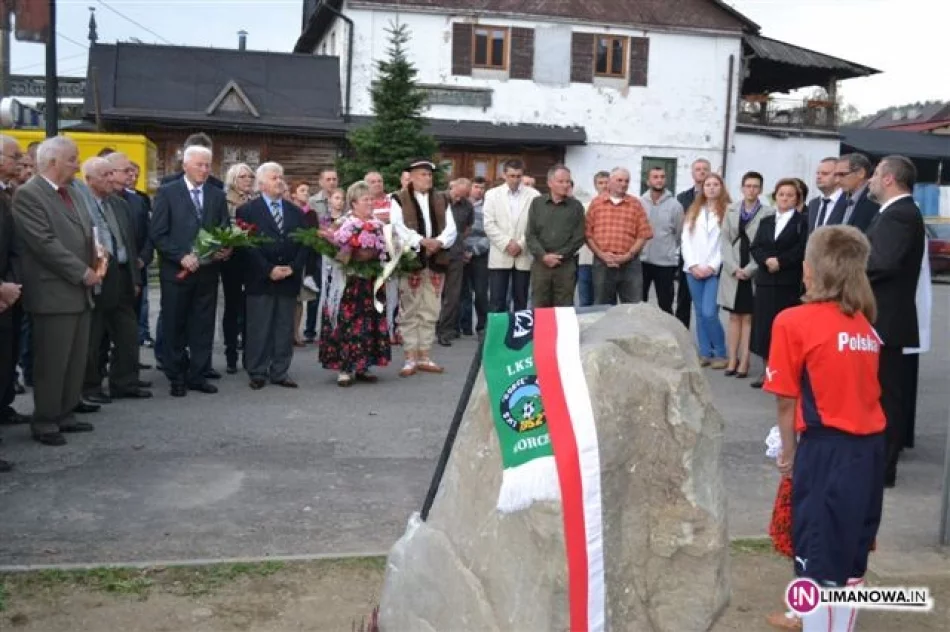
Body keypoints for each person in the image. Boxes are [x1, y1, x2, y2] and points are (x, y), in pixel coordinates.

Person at [765, 225, 885, 632]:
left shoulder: (793, 321)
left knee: (816, 554)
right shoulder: (866, 325)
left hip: (826, 450)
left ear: (809, 269)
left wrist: (789, 451)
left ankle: (814, 621)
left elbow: (785, 399)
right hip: (869, 451)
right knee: (850, 553)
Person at [13, 136, 99, 446]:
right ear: (52, 162)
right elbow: (44, 244)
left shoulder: (72, 193)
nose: (78, 164)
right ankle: (46, 420)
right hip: (53, 292)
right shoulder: (29, 195)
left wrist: (97, 255)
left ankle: (65, 412)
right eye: (73, 159)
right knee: (52, 361)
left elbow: (86, 231)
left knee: (75, 359)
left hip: (79, 291)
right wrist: (82, 271)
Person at [150, 145, 231, 397]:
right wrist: (181, 256)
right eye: (200, 165)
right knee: (175, 323)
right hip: (177, 273)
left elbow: (223, 229)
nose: (205, 170)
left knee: (202, 325)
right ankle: (176, 376)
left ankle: (198, 374)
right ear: (185, 165)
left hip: (207, 273)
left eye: (208, 165)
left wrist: (224, 249)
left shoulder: (216, 195)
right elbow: (158, 233)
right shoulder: (167, 192)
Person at [865, 155, 925, 488]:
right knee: (881, 392)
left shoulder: (900, 214)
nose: (871, 180)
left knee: (887, 395)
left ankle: (884, 467)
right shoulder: (895, 213)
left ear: (889, 179)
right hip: (883, 318)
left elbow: (882, 263)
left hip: (886, 319)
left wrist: (848, 273)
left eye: (875, 174)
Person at [81, 157, 151, 403]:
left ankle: (125, 382)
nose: (112, 179)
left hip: (121, 274)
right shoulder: (81, 203)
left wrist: (134, 277)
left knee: (128, 333)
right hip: (97, 273)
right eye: (106, 175)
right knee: (93, 335)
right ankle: (90, 386)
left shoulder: (119, 205)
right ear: (88, 179)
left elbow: (128, 244)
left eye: (113, 173)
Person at [237, 163, 309, 390]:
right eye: (274, 177)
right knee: (259, 326)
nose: (280, 181)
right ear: (261, 184)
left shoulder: (296, 212)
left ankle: (280, 371)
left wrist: (293, 267)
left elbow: (305, 243)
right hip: (260, 279)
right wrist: (268, 269)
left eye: (281, 176)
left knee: (283, 326)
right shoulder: (247, 211)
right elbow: (246, 246)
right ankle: (257, 371)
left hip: (288, 278)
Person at [319, 181, 391, 386]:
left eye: (371, 199)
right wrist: (350, 253)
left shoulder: (378, 224)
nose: (370, 203)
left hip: (370, 281)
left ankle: (364, 365)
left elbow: (386, 249)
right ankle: (344, 368)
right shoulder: (343, 223)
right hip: (349, 281)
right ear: (354, 202)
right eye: (365, 200)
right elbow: (333, 250)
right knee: (347, 322)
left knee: (370, 321)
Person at [391, 158, 457, 376]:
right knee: (410, 308)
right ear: (411, 176)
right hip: (412, 260)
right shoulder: (398, 199)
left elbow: (451, 228)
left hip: (436, 260)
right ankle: (410, 356)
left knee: (431, 308)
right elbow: (398, 227)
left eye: (429, 175)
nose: (427, 178)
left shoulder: (441, 199)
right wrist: (420, 241)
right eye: (422, 174)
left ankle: (425, 355)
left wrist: (438, 242)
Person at [749, 179, 808, 389]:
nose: (785, 198)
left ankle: (786, 373)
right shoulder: (766, 221)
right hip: (765, 280)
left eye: (790, 195)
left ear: (797, 199)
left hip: (787, 282)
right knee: (764, 328)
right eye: (781, 194)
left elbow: (802, 248)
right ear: (775, 197)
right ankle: (768, 372)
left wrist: (781, 262)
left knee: (785, 330)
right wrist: (766, 260)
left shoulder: (802, 222)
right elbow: (755, 246)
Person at [718, 172, 772, 379]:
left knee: (748, 318)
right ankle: (732, 359)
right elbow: (724, 240)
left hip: (752, 267)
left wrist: (750, 269)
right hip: (733, 268)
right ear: (742, 188)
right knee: (733, 317)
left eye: (755, 186)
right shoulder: (731, 209)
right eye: (748, 186)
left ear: (760, 189)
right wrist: (732, 267)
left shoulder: (767, 212)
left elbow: (766, 244)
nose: (751, 190)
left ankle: (745, 360)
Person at [585, 167, 654, 304]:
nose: (623, 184)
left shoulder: (635, 204)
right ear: (610, 182)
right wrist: (601, 254)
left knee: (633, 308)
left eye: (626, 181)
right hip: (603, 263)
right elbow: (588, 234)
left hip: (630, 264)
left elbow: (643, 233)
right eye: (619, 180)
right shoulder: (596, 203)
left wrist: (628, 255)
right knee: (602, 307)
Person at [681, 173, 728, 368]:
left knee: (710, 312)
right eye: (707, 184)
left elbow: (725, 244)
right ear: (702, 188)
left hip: (713, 270)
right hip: (692, 269)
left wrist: (711, 266)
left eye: (715, 184)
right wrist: (692, 264)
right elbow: (685, 240)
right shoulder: (694, 209)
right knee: (700, 312)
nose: (711, 188)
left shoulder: (728, 211)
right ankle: (704, 352)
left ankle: (720, 352)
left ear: (721, 187)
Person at [525, 164, 586, 308]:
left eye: (568, 181)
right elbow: (530, 234)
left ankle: (563, 332)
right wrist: (543, 256)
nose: (566, 185)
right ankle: (541, 332)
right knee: (539, 304)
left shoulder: (576, 206)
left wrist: (559, 256)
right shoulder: (537, 203)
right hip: (541, 264)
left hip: (565, 265)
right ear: (550, 183)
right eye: (561, 181)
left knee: (564, 306)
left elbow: (579, 237)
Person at [483, 159, 539, 312]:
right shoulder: (492, 194)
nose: (515, 180)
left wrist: (520, 244)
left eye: (518, 176)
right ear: (504, 175)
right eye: (511, 176)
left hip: (523, 253)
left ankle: (519, 335)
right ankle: (497, 335)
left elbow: (535, 225)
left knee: (521, 300)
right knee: (496, 299)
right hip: (500, 253)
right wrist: (507, 243)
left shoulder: (534, 195)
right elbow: (488, 223)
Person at [221, 163, 255, 372]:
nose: (247, 181)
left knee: (250, 306)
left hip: (251, 256)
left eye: (250, 177)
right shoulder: (225, 200)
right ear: (233, 179)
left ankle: (250, 353)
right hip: (232, 256)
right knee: (232, 307)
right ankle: (231, 352)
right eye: (243, 177)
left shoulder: (255, 200)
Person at [639, 166, 684, 313]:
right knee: (639, 304)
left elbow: (679, 234)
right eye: (655, 177)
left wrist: (667, 250)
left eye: (662, 177)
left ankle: (666, 335)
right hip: (641, 261)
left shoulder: (675, 206)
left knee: (665, 305)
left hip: (665, 264)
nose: (659, 180)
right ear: (648, 181)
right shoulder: (639, 203)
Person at [437, 178, 474, 346]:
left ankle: (445, 330)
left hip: (456, 253)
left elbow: (468, 228)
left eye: (464, 196)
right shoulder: (438, 199)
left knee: (453, 294)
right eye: (458, 195)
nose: (460, 199)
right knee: (434, 293)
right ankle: (430, 326)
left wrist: (458, 240)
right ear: (452, 187)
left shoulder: (467, 205)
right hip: (437, 252)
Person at [675, 159, 711, 328]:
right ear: (692, 173)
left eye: (705, 169)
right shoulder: (682, 198)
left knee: (707, 304)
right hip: (688, 255)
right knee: (683, 298)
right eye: (698, 169)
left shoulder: (716, 198)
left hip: (710, 257)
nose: (701, 172)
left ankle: (707, 341)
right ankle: (682, 334)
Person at [459, 176, 490, 338]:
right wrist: (462, 251)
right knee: (463, 293)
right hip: (461, 255)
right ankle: (465, 327)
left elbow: (490, 234)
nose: (479, 190)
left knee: (481, 292)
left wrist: (475, 251)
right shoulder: (461, 207)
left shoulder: (488, 209)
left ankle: (482, 326)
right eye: (476, 187)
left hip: (480, 255)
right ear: (470, 188)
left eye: (482, 188)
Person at [576, 171, 609, 307]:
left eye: (607, 182)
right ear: (595, 186)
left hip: (606, 260)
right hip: (586, 259)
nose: (604, 186)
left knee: (604, 300)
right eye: (600, 183)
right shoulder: (585, 207)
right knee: (585, 300)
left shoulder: (617, 208)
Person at [831, 154, 878, 232]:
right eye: (836, 175)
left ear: (861, 173)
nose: (837, 180)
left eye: (842, 174)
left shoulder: (874, 199)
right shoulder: (842, 198)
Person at [806, 157, 845, 235]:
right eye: (818, 173)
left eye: (825, 173)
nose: (819, 177)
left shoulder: (848, 201)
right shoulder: (813, 204)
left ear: (838, 177)